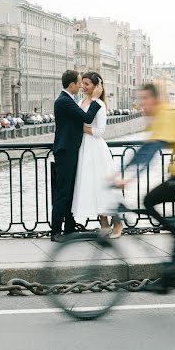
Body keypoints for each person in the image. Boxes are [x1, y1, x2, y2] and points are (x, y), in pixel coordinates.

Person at [115, 83, 175, 238]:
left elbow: (150, 150)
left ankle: (174, 233)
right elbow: (145, 149)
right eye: (140, 99)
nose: (141, 103)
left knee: (148, 201)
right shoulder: (162, 116)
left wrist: (126, 176)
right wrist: (124, 171)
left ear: (156, 99)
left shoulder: (167, 115)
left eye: (145, 98)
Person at [51, 70, 103, 242]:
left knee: (69, 191)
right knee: (62, 193)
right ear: (71, 84)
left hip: (69, 151)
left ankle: (69, 228)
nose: (81, 85)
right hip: (65, 152)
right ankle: (56, 232)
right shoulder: (64, 101)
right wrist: (95, 98)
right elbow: (87, 118)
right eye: (79, 82)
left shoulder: (68, 100)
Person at [71, 71, 123, 238]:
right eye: (83, 83)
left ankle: (117, 224)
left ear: (96, 86)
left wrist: (80, 127)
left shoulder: (99, 104)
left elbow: (100, 131)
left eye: (87, 84)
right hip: (84, 148)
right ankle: (104, 224)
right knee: (91, 185)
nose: (83, 87)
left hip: (96, 149)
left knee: (102, 185)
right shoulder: (81, 101)